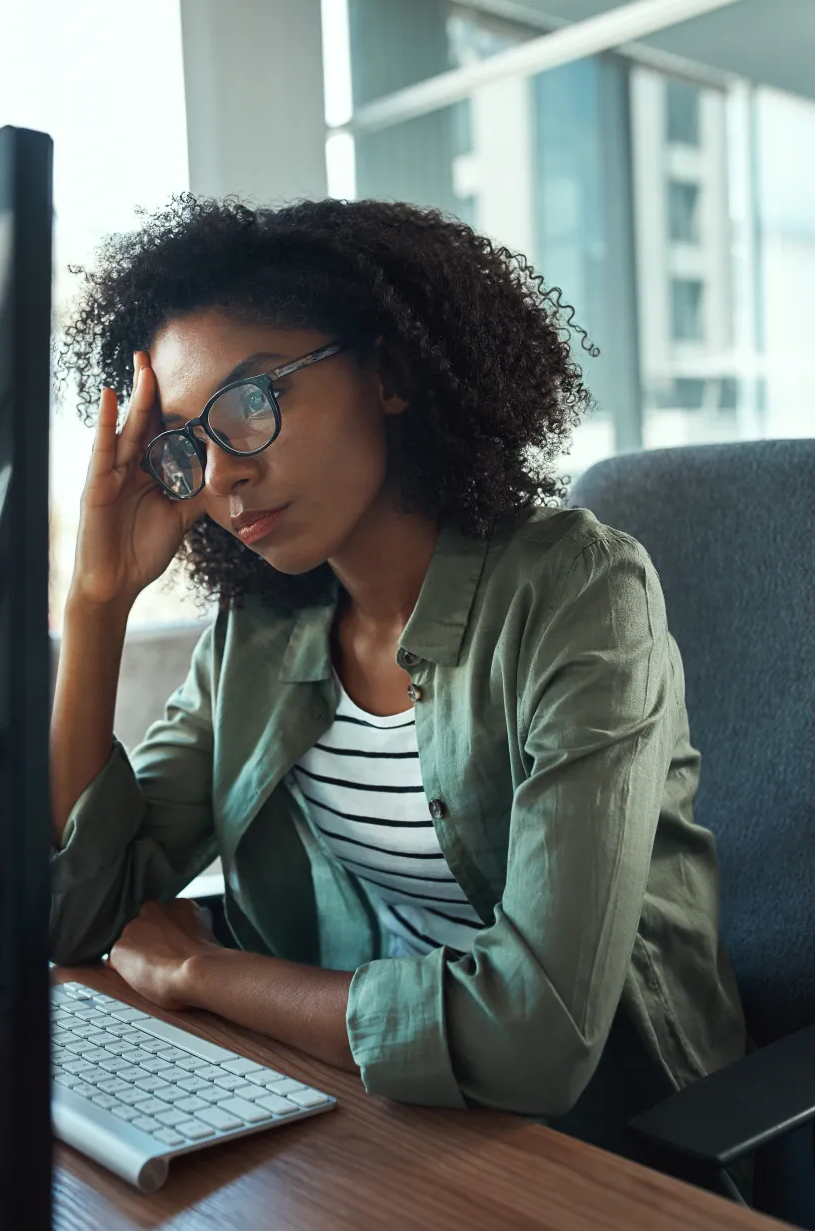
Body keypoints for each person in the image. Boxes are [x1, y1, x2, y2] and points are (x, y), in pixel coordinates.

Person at [50, 195, 749, 1197]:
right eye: (188, 444)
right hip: (373, 1110)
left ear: (393, 371)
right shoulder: (263, 632)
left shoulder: (581, 592)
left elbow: (535, 1038)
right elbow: (82, 917)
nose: (224, 476)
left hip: (612, 1143)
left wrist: (205, 972)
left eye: (253, 403)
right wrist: (98, 603)